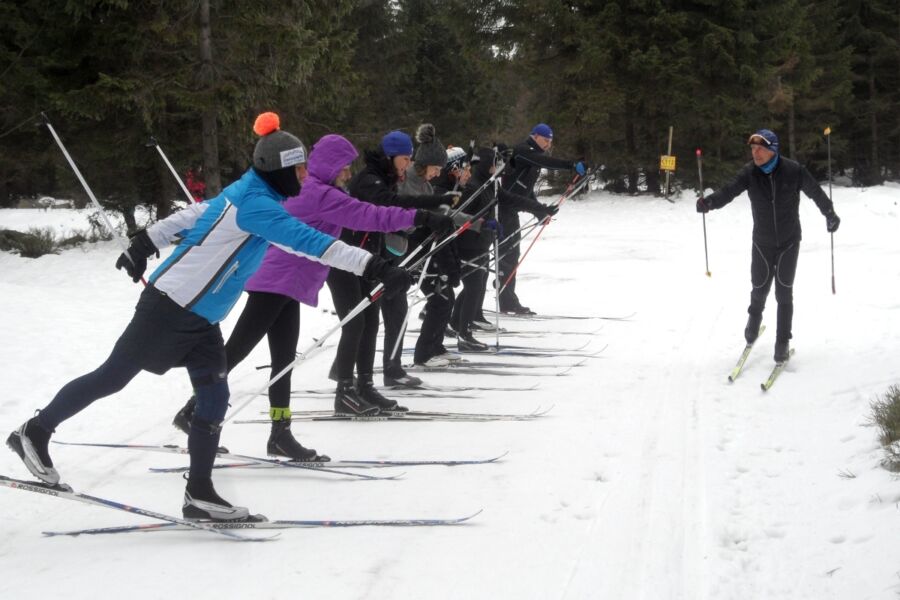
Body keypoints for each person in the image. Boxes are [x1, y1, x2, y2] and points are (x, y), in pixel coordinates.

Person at [6, 113, 409, 521]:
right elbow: (312, 243)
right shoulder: (258, 206)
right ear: (278, 169)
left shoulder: (252, 191)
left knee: (214, 398)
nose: (305, 176)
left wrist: (147, 239)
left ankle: (199, 493)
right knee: (113, 376)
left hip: (203, 316)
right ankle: (35, 431)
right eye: (299, 168)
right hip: (170, 305)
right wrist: (374, 266)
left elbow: (196, 214)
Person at [170, 133, 451, 457]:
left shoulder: (313, 190)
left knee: (282, 362)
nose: (348, 174)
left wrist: (422, 216)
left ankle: (279, 432)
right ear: (332, 165)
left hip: (284, 284)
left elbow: (369, 213)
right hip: (274, 283)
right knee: (237, 351)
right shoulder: (320, 194)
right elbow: (372, 215)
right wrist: (423, 217)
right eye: (345, 168)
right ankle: (195, 412)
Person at [327, 130, 458, 409]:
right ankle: (345, 389)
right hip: (346, 261)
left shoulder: (385, 178)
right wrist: (431, 209)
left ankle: (365, 385)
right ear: (391, 156)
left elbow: (391, 217)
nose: (407, 163)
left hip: (368, 262)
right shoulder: (369, 180)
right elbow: (391, 206)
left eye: (410, 157)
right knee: (356, 325)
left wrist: (428, 219)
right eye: (404, 158)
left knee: (370, 324)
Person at [696, 128, 841, 362]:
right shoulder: (749, 173)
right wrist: (709, 203)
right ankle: (754, 320)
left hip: (789, 241)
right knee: (760, 287)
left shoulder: (794, 171)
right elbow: (729, 191)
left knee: (784, 291)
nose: (756, 153)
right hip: (762, 241)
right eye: (753, 149)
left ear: (773, 149)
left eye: (760, 148)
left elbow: (815, 192)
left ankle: (782, 341)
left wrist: (830, 213)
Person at [499, 123, 585, 314]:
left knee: (512, 254)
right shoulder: (523, 151)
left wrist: (539, 212)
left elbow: (525, 190)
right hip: (501, 207)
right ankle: (505, 300)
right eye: (546, 140)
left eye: (550, 141)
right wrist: (570, 165)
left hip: (511, 208)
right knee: (507, 255)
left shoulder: (534, 157)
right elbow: (545, 163)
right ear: (535, 136)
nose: (548, 144)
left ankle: (507, 299)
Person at [397, 124, 460, 367]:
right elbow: (404, 216)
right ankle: (423, 354)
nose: (437, 174)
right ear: (424, 165)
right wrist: (427, 224)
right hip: (411, 249)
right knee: (440, 298)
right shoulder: (406, 182)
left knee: (446, 296)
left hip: (428, 247)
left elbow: (434, 210)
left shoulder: (425, 184)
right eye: (435, 169)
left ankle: (435, 346)